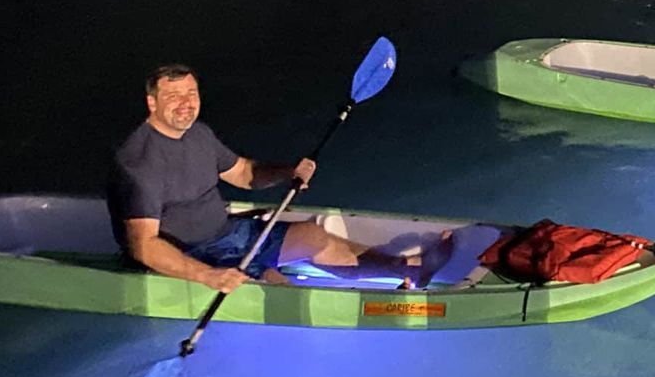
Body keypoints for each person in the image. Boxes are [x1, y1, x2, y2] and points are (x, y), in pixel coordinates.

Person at [109, 65, 452, 295]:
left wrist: (287, 171)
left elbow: (243, 174)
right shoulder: (140, 162)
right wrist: (209, 276)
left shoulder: (198, 134)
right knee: (279, 291)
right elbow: (145, 246)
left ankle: (409, 268)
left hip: (231, 235)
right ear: (151, 103)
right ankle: (408, 272)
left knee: (315, 236)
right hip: (195, 256)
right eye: (173, 97)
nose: (185, 104)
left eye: (191, 94)